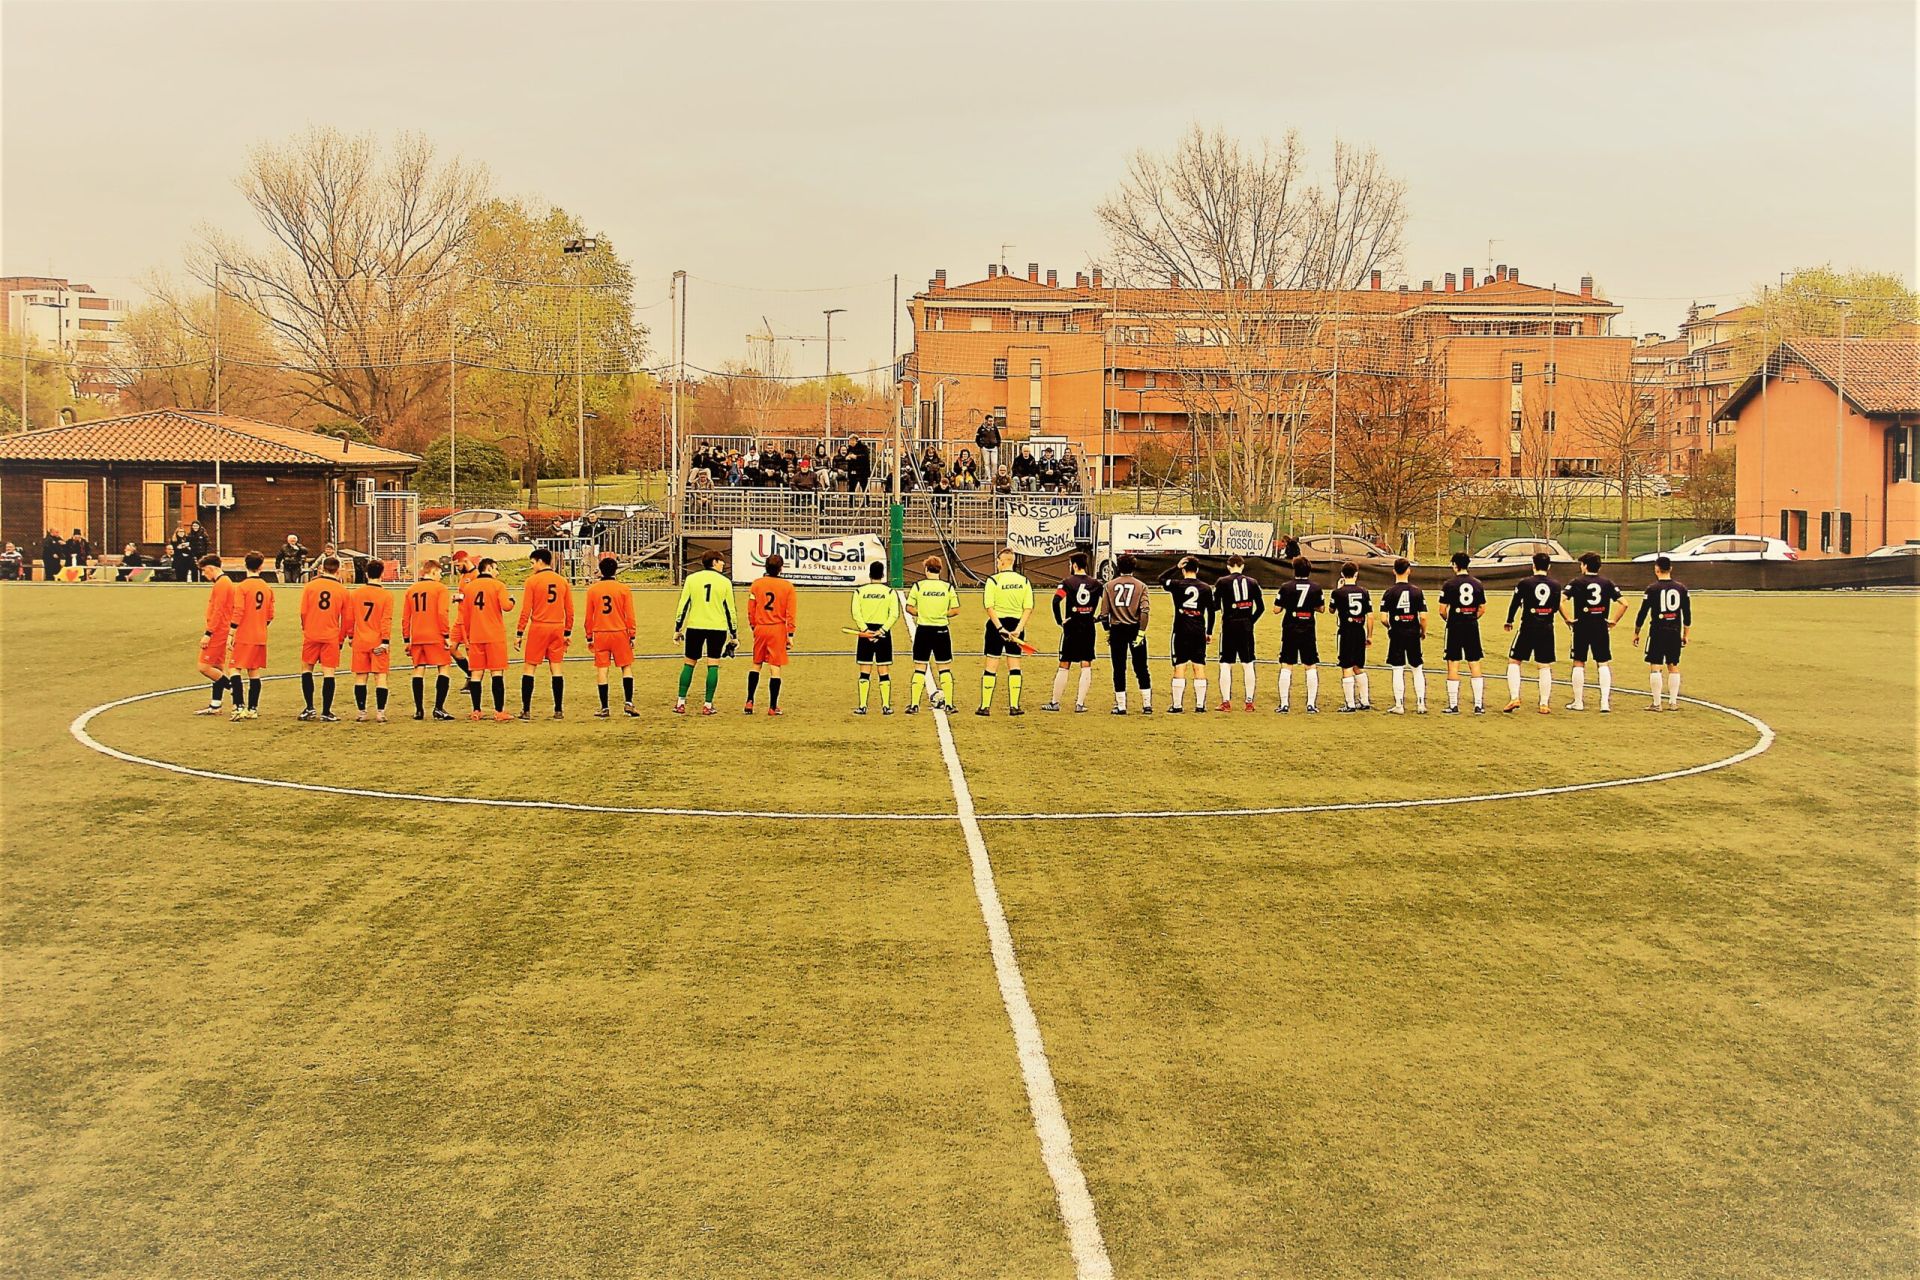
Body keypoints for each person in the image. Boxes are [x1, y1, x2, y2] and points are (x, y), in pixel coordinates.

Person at [1560, 550, 1625, 712]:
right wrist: (1614, 621)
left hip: (1581, 626)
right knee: (1602, 663)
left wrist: (1568, 618)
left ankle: (1578, 702)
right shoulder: (1607, 583)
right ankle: (1604, 703)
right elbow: (1624, 603)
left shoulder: (1577, 582)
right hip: (1600, 626)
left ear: (1585, 566)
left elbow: (1560, 600)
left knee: (1579, 663)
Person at [674, 552, 737, 715]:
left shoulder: (692, 579)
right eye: (721, 562)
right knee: (713, 664)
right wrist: (734, 633)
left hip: (695, 626)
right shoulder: (725, 582)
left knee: (689, 663)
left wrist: (678, 628)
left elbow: (683, 605)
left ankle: (680, 703)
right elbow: (730, 610)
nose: (723, 565)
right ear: (714, 562)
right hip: (718, 628)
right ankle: (708, 705)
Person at [516, 546, 574, 720]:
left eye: (533, 563)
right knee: (556, 668)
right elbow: (569, 610)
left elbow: (526, 610)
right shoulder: (562, 581)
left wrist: (519, 632)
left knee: (529, 668)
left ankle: (526, 710)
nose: (532, 566)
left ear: (540, 562)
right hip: (557, 627)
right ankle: (558, 709)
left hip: (539, 628)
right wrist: (568, 631)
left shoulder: (532, 581)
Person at [1502, 551, 1563, 715]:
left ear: (1533, 565)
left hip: (1528, 626)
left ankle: (1514, 697)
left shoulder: (1525, 583)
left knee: (1514, 661)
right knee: (1544, 665)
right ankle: (1544, 703)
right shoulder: (1556, 585)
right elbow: (1556, 607)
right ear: (1549, 567)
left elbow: (1515, 603)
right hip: (1547, 628)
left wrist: (1509, 620)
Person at [1633, 555, 1692, 712]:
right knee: (1673, 665)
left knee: (1656, 665)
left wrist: (1636, 632)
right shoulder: (1681, 589)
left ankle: (1657, 703)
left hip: (1657, 631)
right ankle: (1673, 702)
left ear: (1656, 569)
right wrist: (1686, 634)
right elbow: (1687, 613)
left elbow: (1642, 613)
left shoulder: (1652, 589)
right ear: (1671, 569)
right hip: (1674, 631)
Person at [978, 548, 1033, 716]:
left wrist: (1000, 628)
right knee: (1014, 666)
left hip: (996, 626)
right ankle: (1014, 706)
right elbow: (1028, 608)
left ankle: (985, 707)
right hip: (1016, 625)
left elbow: (989, 607)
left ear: (1001, 561)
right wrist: (1019, 629)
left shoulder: (993, 581)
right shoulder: (1024, 581)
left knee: (991, 665)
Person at [458, 557, 514, 721]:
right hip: (494, 636)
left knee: (476, 674)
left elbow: (465, 615)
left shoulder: (469, 588)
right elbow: (506, 606)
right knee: (496, 673)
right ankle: (499, 712)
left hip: (476, 635)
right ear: (488, 568)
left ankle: (476, 710)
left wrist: (467, 636)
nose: (497, 572)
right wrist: (512, 600)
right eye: (496, 569)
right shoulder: (498, 585)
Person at [1045, 550, 1101, 712]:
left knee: (1064, 663)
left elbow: (1056, 601)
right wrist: (1097, 617)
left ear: (1075, 565)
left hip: (1071, 627)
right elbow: (1107, 603)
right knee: (1086, 663)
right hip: (1088, 627)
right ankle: (1080, 704)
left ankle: (1055, 702)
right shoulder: (1096, 584)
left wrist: (1060, 621)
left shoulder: (1067, 583)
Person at [296, 554, 350, 722]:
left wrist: (306, 628)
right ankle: (326, 711)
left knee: (307, 670)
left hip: (311, 634)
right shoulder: (342, 590)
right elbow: (347, 619)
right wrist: (341, 639)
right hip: (331, 635)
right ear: (338, 570)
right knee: (329, 673)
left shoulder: (310, 586)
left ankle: (309, 708)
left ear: (322, 568)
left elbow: (303, 612)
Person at [584, 555, 639, 719]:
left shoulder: (593, 590)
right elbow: (630, 614)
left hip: (601, 633)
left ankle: (604, 707)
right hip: (620, 632)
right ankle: (628, 702)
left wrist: (589, 636)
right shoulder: (623, 589)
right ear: (616, 570)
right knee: (626, 667)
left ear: (600, 571)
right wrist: (632, 634)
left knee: (602, 669)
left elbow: (588, 616)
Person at [403, 556, 457, 721]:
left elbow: (406, 617)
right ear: (433, 572)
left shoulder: (411, 589)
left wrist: (407, 639)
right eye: (439, 573)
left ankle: (419, 710)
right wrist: (446, 635)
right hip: (435, 635)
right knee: (444, 668)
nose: (441, 576)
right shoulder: (440, 589)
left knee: (419, 669)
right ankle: (438, 708)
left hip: (418, 636)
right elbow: (442, 613)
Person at [1097, 553, 1152, 714]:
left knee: (1119, 668)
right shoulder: (1141, 586)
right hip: (1135, 628)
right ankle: (1147, 705)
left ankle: (1121, 706)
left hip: (1117, 630)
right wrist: (1141, 632)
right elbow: (1145, 611)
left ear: (1117, 567)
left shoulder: (1109, 586)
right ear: (1134, 567)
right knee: (1141, 667)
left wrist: (1107, 631)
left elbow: (1104, 614)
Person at [745, 553, 798, 716]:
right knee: (775, 668)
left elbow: (751, 608)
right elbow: (791, 612)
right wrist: (790, 634)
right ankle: (772, 706)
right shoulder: (788, 587)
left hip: (761, 627)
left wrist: (754, 627)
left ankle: (749, 701)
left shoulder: (757, 584)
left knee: (756, 664)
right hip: (777, 629)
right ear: (781, 569)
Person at [905, 554, 959, 713]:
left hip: (923, 631)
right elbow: (955, 610)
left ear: (926, 569)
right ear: (940, 570)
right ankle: (949, 704)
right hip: (942, 631)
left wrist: (921, 613)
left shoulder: (918, 586)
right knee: (944, 668)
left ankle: (914, 705)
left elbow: (909, 607)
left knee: (920, 667)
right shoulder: (947, 587)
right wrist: (942, 614)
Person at [1437, 551, 1489, 715]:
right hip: (1472, 626)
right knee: (1474, 662)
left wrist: (1450, 620)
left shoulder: (1449, 584)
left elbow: (1442, 610)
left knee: (1453, 662)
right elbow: (1482, 608)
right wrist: (1472, 618)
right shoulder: (1477, 584)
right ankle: (1478, 705)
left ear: (1454, 565)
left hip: (1455, 626)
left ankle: (1453, 705)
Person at [1211, 553, 1264, 711]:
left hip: (1229, 626)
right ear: (1242, 566)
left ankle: (1226, 702)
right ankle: (1249, 702)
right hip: (1246, 627)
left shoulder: (1222, 582)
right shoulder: (1253, 582)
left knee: (1225, 663)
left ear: (1228, 566)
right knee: (1248, 664)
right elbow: (1261, 608)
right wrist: (1250, 621)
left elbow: (1215, 606)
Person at [228, 551, 275, 720]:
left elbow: (238, 610)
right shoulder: (267, 588)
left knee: (234, 668)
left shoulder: (242, 587)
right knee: (254, 671)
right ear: (261, 566)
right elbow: (270, 615)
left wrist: (232, 632)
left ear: (245, 565)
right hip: (260, 635)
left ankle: (238, 705)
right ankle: (253, 708)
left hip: (244, 634)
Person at [1275, 556, 1325, 713]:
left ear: (1294, 570)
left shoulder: (1286, 587)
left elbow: (1276, 610)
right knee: (1310, 665)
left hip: (1290, 627)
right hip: (1308, 627)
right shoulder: (1316, 588)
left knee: (1286, 664)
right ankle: (1311, 704)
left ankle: (1284, 704)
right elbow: (1321, 608)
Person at [850, 560, 899, 715]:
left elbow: (856, 613)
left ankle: (863, 706)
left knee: (865, 670)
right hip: (883, 633)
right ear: (883, 574)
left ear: (869, 574)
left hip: (866, 633)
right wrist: (882, 630)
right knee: (883, 669)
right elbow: (894, 614)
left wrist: (866, 630)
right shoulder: (890, 592)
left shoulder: (859, 592)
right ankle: (886, 706)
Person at [1162, 556, 1210, 713]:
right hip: (1198, 630)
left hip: (1181, 629)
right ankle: (1200, 705)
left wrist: (1175, 567)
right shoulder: (1205, 588)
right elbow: (1212, 611)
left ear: (1183, 569)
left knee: (1180, 665)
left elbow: (1161, 579)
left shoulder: (1177, 584)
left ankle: (1177, 706)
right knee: (1199, 665)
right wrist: (1209, 631)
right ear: (1197, 570)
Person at [349, 558, 395, 723]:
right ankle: (380, 713)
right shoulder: (386, 595)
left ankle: (362, 712)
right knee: (380, 677)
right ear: (382, 573)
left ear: (366, 574)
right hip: (377, 641)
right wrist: (385, 641)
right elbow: (386, 619)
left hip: (360, 640)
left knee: (361, 677)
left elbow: (350, 618)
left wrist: (350, 636)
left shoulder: (355, 594)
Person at [1379, 557, 1427, 715]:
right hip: (1413, 632)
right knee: (1417, 668)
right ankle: (1421, 703)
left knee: (1397, 668)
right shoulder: (1417, 591)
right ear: (1409, 570)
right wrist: (1422, 631)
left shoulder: (1389, 592)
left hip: (1397, 633)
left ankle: (1399, 704)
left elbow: (1383, 618)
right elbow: (1424, 616)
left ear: (1394, 571)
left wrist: (1391, 626)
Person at [194, 554, 238, 716]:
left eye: (205, 571)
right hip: (223, 629)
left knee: (204, 667)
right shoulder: (225, 583)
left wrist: (208, 633)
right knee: (217, 668)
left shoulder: (222, 584)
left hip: (218, 630)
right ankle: (215, 705)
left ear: (211, 568)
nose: (205, 575)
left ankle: (234, 689)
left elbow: (218, 612)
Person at [1329, 562, 1374, 712]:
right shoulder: (1364, 592)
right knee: (1358, 666)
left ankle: (1350, 704)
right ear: (1356, 574)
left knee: (1346, 666)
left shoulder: (1338, 593)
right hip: (1359, 631)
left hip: (1346, 632)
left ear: (1342, 574)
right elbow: (1370, 616)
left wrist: (1338, 589)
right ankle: (1365, 700)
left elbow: (1331, 610)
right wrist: (1370, 635)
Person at [447, 549, 481, 710]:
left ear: (464, 561)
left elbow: (477, 597)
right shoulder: (463, 576)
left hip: (469, 621)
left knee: (470, 651)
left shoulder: (477, 576)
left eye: (457, 565)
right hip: (459, 621)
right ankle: (469, 673)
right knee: (451, 648)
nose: (456, 568)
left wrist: (461, 597)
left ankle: (474, 679)